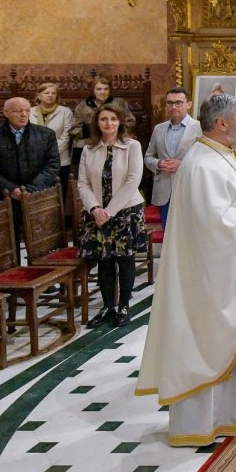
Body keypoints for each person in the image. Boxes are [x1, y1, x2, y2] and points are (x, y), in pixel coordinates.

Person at [135, 94, 236, 447]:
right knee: (210, 340)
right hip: (210, 280)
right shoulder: (202, 164)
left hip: (226, 271)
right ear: (222, 124)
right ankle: (208, 420)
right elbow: (215, 225)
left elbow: (228, 208)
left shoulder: (218, 156)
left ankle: (235, 412)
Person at [77, 104, 148, 329]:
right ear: (97, 123)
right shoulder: (89, 149)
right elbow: (83, 182)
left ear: (120, 122)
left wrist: (110, 211)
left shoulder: (132, 146)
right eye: (104, 119)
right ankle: (108, 306)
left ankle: (124, 306)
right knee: (104, 260)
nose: (108, 124)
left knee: (125, 259)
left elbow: (133, 180)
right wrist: (95, 209)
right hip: (96, 213)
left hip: (125, 211)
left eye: (113, 119)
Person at [0, 97, 60, 257]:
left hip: (36, 197)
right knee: (5, 249)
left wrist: (30, 190)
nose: (23, 114)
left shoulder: (45, 134)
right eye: (18, 111)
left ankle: (43, 280)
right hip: (1, 198)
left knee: (42, 247)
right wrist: (11, 189)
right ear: (6, 112)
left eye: (27, 110)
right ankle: (9, 280)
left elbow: (53, 165)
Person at [145, 88, 201, 226]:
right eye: (169, 103)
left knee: (188, 234)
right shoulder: (159, 128)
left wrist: (182, 164)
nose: (173, 106)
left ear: (189, 104)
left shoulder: (200, 128)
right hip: (164, 189)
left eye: (178, 102)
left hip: (189, 188)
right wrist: (158, 164)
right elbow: (148, 157)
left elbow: (206, 160)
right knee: (167, 234)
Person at [71, 77, 135, 168]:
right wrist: (94, 131)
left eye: (106, 89)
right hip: (91, 139)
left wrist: (115, 132)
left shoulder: (119, 103)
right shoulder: (82, 106)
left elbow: (131, 122)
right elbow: (74, 128)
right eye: (99, 89)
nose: (103, 92)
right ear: (93, 90)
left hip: (116, 138)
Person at [30, 83, 75, 190]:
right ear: (39, 96)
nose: (50, 95)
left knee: (59, 193)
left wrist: (50, 153)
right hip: (35, 160)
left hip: (60, 160)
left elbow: (66, 136)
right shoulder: (30, 112)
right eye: (46, 93)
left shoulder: (65, 112)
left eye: (53, 93)